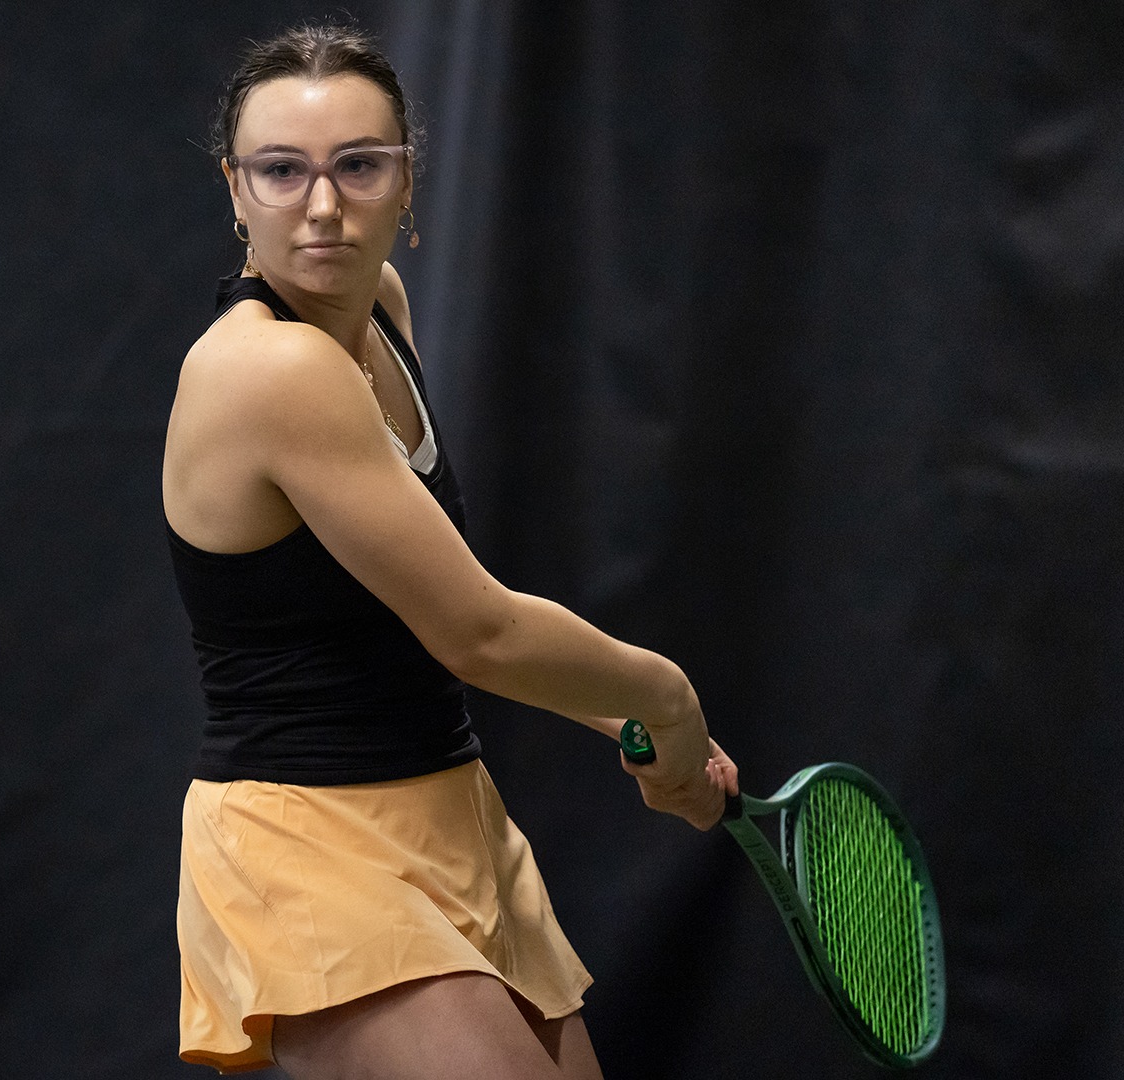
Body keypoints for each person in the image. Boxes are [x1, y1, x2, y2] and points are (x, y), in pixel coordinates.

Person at [163, 22, 739, 1080]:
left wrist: (624, 723)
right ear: (235, 191)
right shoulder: (268, 372)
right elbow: (477, 629)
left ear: (407, 183)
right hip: (308, 846)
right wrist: (665, 698)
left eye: (359, 166)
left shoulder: (376, 310)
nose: (324, 206)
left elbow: (416, 621)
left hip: (454, 819)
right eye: (282, 172)